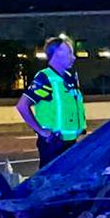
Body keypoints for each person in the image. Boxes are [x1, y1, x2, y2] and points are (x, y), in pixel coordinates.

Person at [17, 36, 86, 168]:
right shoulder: (45, 78)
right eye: (69, 53)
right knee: (51, 183)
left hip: (71, 143)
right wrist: (41, 132)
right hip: (54, 144)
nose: (73, 57)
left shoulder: (69, 78)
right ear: (57, 53)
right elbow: (22, 106)